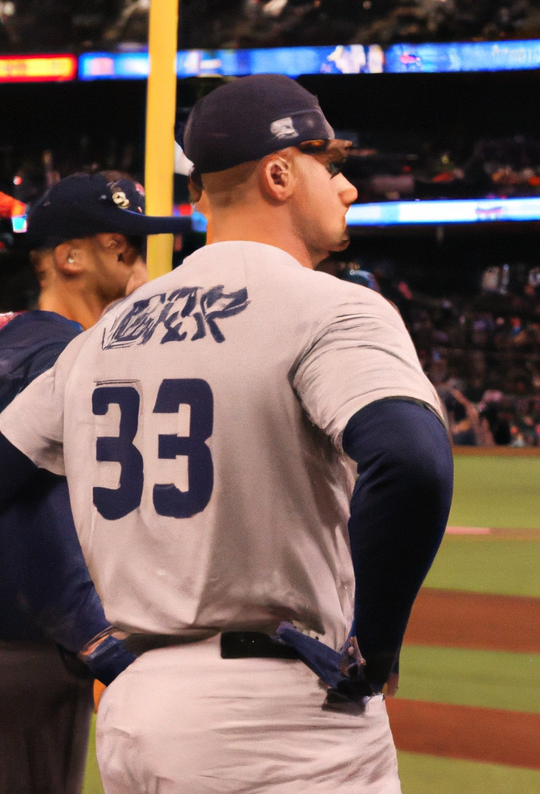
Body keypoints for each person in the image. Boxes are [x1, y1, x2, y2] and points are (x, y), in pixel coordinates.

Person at [0, 74, 454, 793]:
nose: (347, 188)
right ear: (280, 173)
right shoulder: (327, 307)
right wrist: (376, 642)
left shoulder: (110, 328)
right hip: (276, 714)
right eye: (328, 165)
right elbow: (412, 461)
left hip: (136, 707)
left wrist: (80, 628)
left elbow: (7, 475)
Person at [0, 171, 189, 794]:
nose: (140, 263)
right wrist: (98, 640)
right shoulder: (63, 355)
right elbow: (33, 517)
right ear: (67, 257)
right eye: (123, 245)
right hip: (26, 655)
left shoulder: (18, 339)